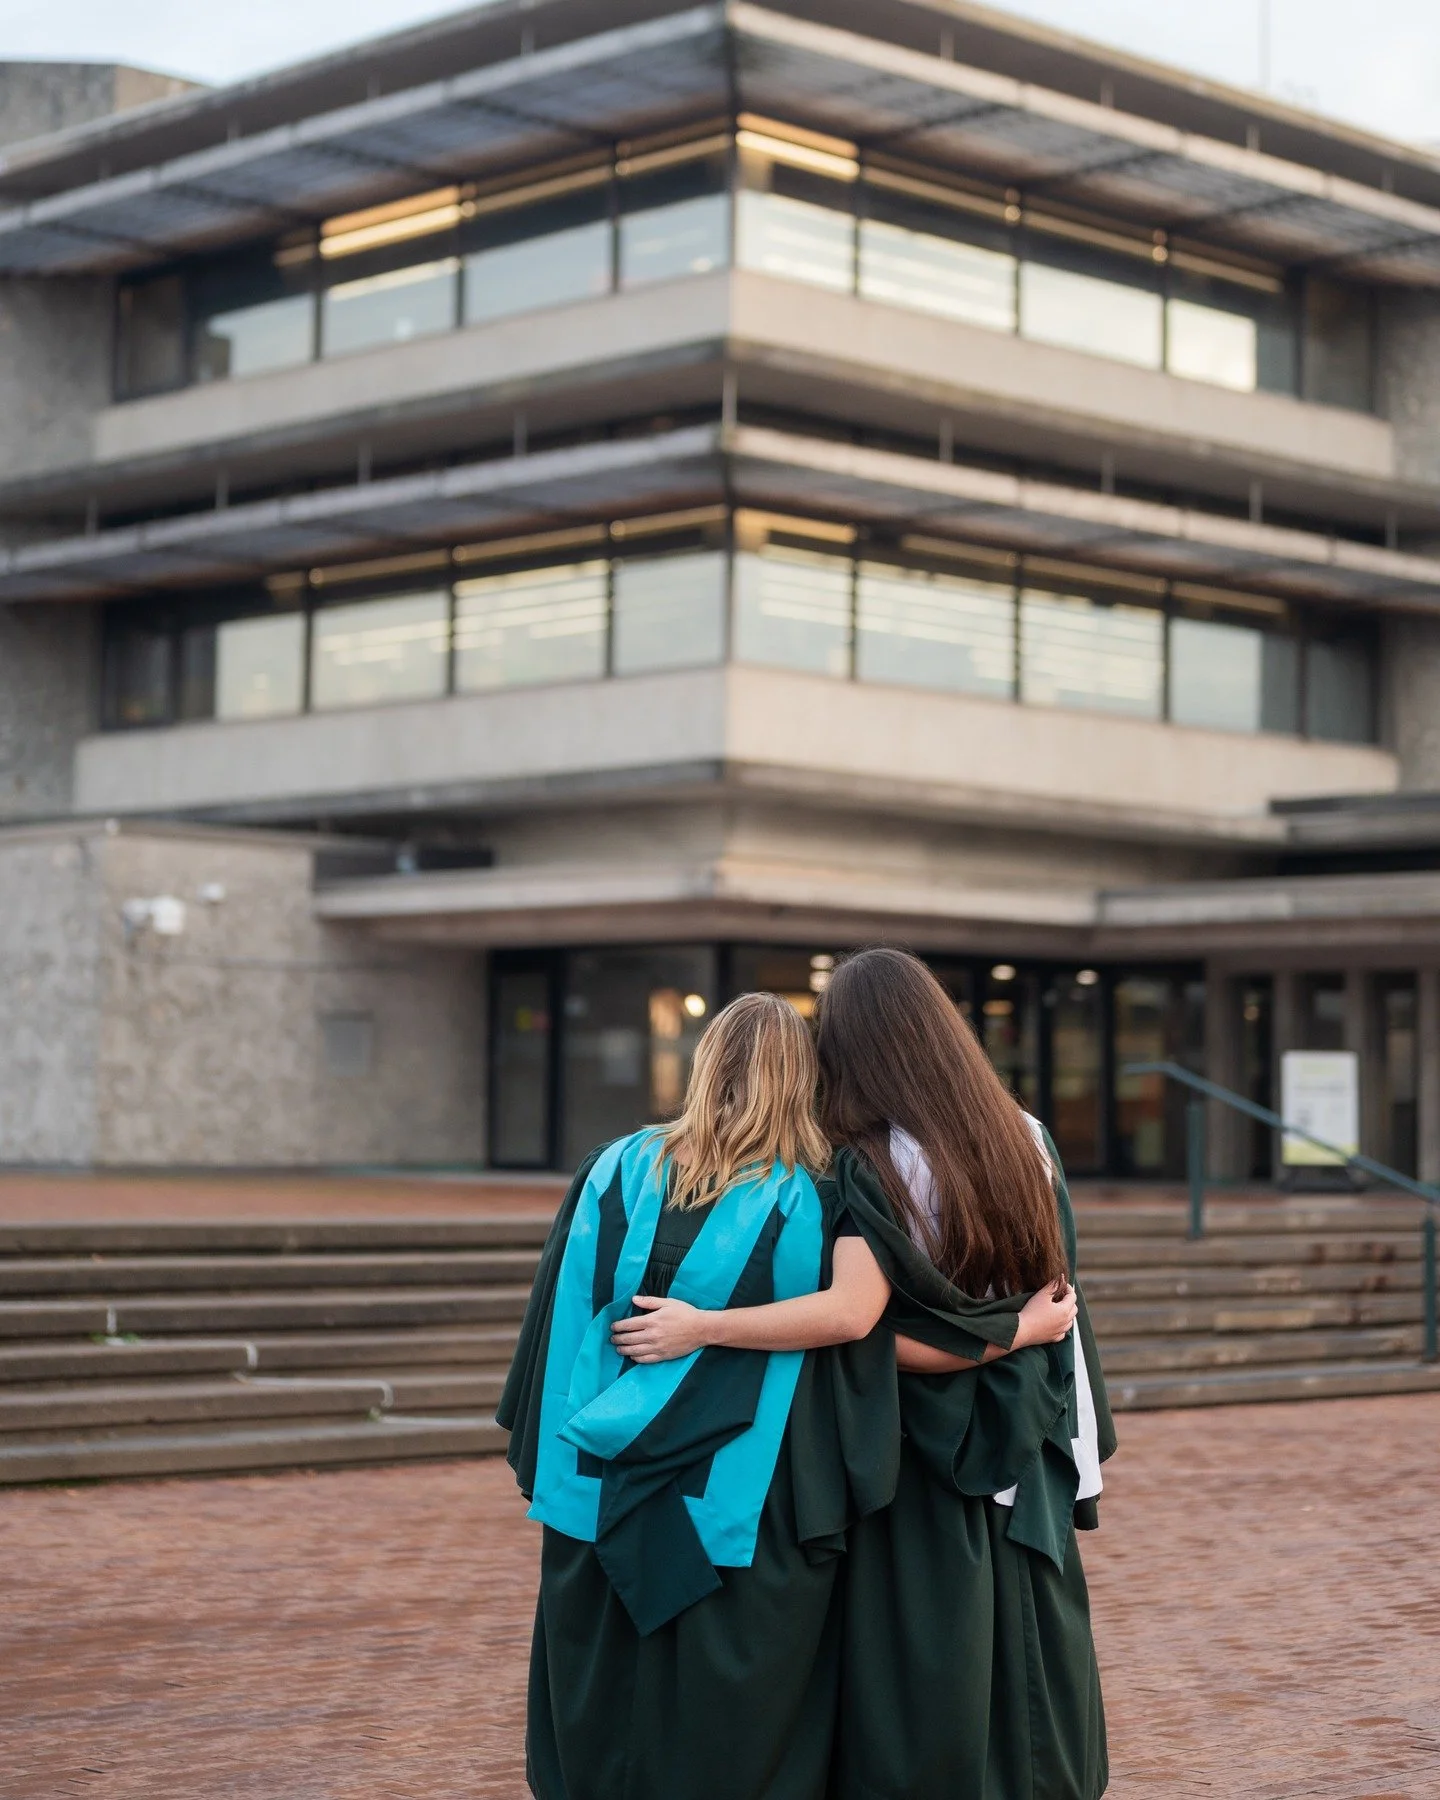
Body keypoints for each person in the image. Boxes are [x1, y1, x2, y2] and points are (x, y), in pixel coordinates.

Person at [500, 989, 1069, 1800]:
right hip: (747, 1496)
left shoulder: (611, 1170)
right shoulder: (827, 1189)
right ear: (803, 1078)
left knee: (603, 1700)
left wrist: (546, 1452)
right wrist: (1011, 1334)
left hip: (599, 1480)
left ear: (702, 1065)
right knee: (731, 1718)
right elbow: (857, 1321)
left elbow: (548, 1327)